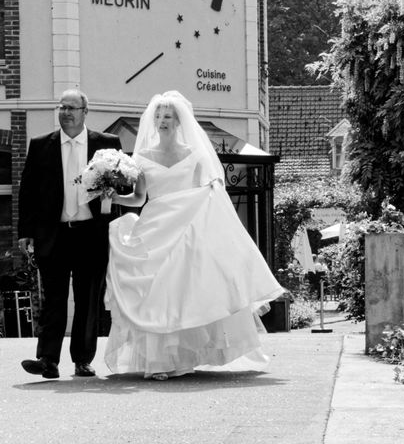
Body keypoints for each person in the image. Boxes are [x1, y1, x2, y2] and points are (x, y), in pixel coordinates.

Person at [104, 91, 284, 380]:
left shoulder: (196, 154)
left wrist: (211, 191)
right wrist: (115, 198)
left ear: (179, 121)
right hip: (155, 227)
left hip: (187, 229)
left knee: (184, 291)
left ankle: (185, 355)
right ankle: (160, 360)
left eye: (168, 116)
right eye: (158, 116)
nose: (162, 121)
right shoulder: (140, 157)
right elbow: (139, 199)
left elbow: (210, 192)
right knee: (158, 292)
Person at [18, 89, 122, 379]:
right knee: (54, 298)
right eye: (62, 107)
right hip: (54, 233)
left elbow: (124, 185)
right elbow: (27, 192)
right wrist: (25, 232)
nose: (65, 112)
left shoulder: (107, 144)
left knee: (88, 300)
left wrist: (115, 193)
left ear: (84, 112)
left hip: (92, 233)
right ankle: (48, 360)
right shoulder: (41, 145)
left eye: (72, 107)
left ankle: (83, 360)